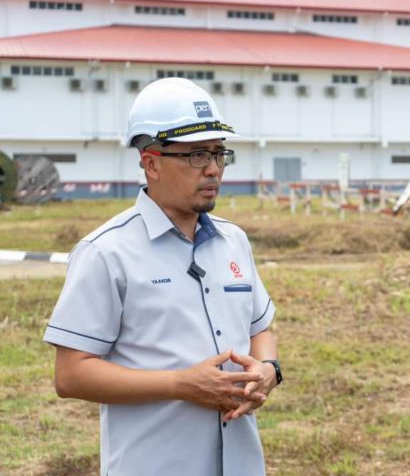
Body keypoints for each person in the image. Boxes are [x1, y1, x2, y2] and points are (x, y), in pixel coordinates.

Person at [43, 78, 281, 476]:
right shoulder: (106, 252)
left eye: (220, 154)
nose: (213, 169)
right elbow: (71, 374)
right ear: (151, 162)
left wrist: (269, 369)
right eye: (196, 155)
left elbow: (261, 328)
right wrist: (179, 385)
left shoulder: (233, 241)